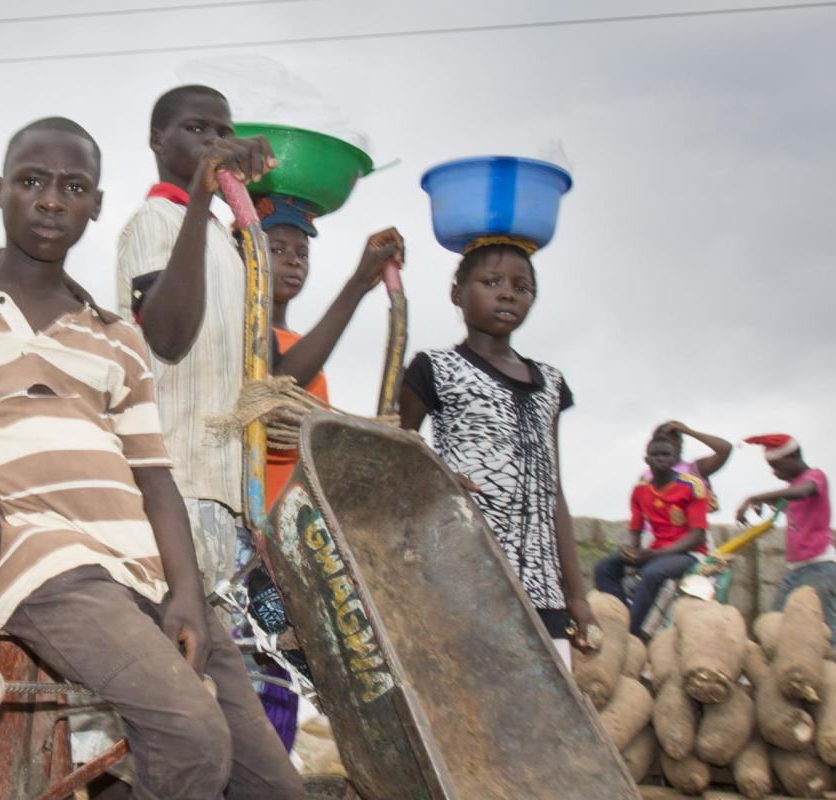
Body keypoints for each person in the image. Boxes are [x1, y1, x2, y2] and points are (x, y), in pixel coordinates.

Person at [0, 117, 304, 799]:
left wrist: (186, 592)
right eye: (31, 181)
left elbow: (154, 478)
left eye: (73, 187)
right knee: (190, 735)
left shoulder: (116, 336)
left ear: (95, 204)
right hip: (43, 561)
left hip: (141, 567)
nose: (51, 200)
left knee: (272, 785)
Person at [395, 242, 598, 660]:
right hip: (463, 580)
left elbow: (553, 491)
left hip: (542, 592)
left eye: (521, 288)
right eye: (491, 282)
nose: (507, 294)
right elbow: (394, 458)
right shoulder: (434, 368)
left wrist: (577, 595)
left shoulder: (551, 383)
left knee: (548, 698)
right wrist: (436, 477)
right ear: (457, 293)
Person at [115, 84, 273, 590]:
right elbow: (168, 338)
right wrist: (203, 193)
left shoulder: (226, 239)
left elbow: (262, 365)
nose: (213, 140)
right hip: (172, 479)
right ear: (157, 140)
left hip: (224, 489)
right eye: (196, 128)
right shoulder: (154, 220)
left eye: (223, 131)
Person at [255, 194, 398, 502]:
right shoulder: (245, 336)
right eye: (277, 249)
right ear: (245, 254)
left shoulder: (303, 346)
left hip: (302, 511)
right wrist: (358, 284)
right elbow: (280, 387)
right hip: (257, 512)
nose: (293, 261)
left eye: (302, 253)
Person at [594, 435, 716, 637]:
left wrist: (655, 554)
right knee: (604, 568)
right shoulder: (640, 490)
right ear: (647, 459)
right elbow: (635, 531)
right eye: (655, 455)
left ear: (675, 458)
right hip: (655, 550)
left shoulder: (692, 487)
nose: (660, 459)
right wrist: (629, 549)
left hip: (688, 553)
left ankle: (632, 633)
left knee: (652, 573)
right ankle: (620, 616)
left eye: (666, 455)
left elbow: (697, 536)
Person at [734, 433, 836, 655]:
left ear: (793, 457)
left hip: (820, 564)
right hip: (795, 568)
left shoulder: (815, 477)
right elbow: (788, 498)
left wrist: (755, 498)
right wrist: (767, 504)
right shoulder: (792, 486)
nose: (774, 472)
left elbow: (803, 492)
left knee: (823, 623)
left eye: (777, 466)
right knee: (776, 620)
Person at [648, 420, 735, 482]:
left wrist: (689, 431)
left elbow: (725, 449)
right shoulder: (647, 476)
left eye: (675, 441)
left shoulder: (695, 469)